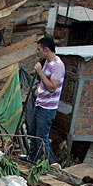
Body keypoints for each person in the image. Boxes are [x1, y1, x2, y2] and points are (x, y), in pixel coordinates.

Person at [27, 36, 64, 164]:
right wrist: (39, 89)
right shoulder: (47, 63)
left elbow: (52, 87)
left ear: (46, 49)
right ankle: (32, 158)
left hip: (47, 108)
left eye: (39, 49)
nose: (37, 52)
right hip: (40, 103)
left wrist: (39, 72)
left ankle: (46, 164)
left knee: (42, 137)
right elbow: (44, 82)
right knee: (33, 132)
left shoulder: (58, 66)